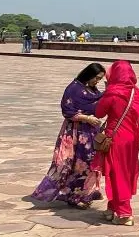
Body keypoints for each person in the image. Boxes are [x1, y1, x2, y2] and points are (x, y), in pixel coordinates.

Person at [31, 63, 107, 208]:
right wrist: (86, 118)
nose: (97, 81)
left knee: (90, 162)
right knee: (77, 163)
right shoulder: (74, 88)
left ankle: (86, 193)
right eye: (96, 78)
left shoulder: (91, 89)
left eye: (99, 79)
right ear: (89, 74)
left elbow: (97, 101)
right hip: (76, 131)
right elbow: (67, 110)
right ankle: (74, 195)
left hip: (90, 131)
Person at [92, 60, 139, 226]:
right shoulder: (136, 93)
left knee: (117, 173)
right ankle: (113, 207)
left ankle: (125, 212)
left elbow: (99, 113)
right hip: (132, 137)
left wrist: (106, 92)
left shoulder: (113, 93)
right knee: (126, 170)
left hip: (116, 137)